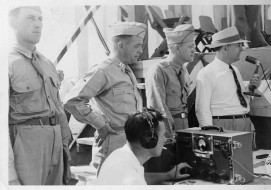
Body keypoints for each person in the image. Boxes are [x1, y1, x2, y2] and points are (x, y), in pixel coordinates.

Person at [64, 21, 145, 174]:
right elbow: (72, 101)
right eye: (136, 46)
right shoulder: (104, 70)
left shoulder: (125, 70)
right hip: (112, 143)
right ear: (121, 46)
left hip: (130, 142)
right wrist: (100, 125)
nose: (140, 50)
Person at [8, 6, 71, 185]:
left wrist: (65, 145)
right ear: (12, 23)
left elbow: (57, 106)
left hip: (55, 140)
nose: (38, 24)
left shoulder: (47, 63)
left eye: (40, 19)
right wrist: (9, 175)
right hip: (26, 143)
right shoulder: (7, 63)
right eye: (30, 19)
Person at [94, 108, 191, 185]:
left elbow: (141, 176)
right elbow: (135, 181)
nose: (165, 140)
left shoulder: (119, 155)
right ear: (149, 140)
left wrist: (168, 175)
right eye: (162, 135)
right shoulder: (132, 181)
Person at [195, 26, 261, 132]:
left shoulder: (235, 70)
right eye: (238, 45)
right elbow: (202, 109)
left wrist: (251, 87)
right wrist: (210, 132)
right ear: (225, 48)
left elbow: (240, 99)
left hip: (244, 122)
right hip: (223, 125)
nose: (242, 49)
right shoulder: (206, 74)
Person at [145, 24, 196, 138]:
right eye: (190, 47)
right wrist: (168, 134)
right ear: (177, 48)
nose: (194, 50)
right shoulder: (158, 71)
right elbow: (157, 107)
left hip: (185, 126)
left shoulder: (183, 69)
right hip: (169, 129)